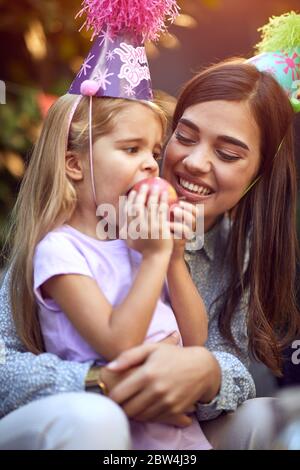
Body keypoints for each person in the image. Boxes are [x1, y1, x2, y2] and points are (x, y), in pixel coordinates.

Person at [0, 59, 299, 450]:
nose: (194, 162)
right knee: (97, 419)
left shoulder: (228, 250)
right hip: (77, 417)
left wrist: (208, 372)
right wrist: (101, 382)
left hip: (170, 428)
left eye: (227, 154)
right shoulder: (75, 241)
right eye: (185, 137)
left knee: (270, 418)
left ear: (257, 174)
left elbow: (217, 352)